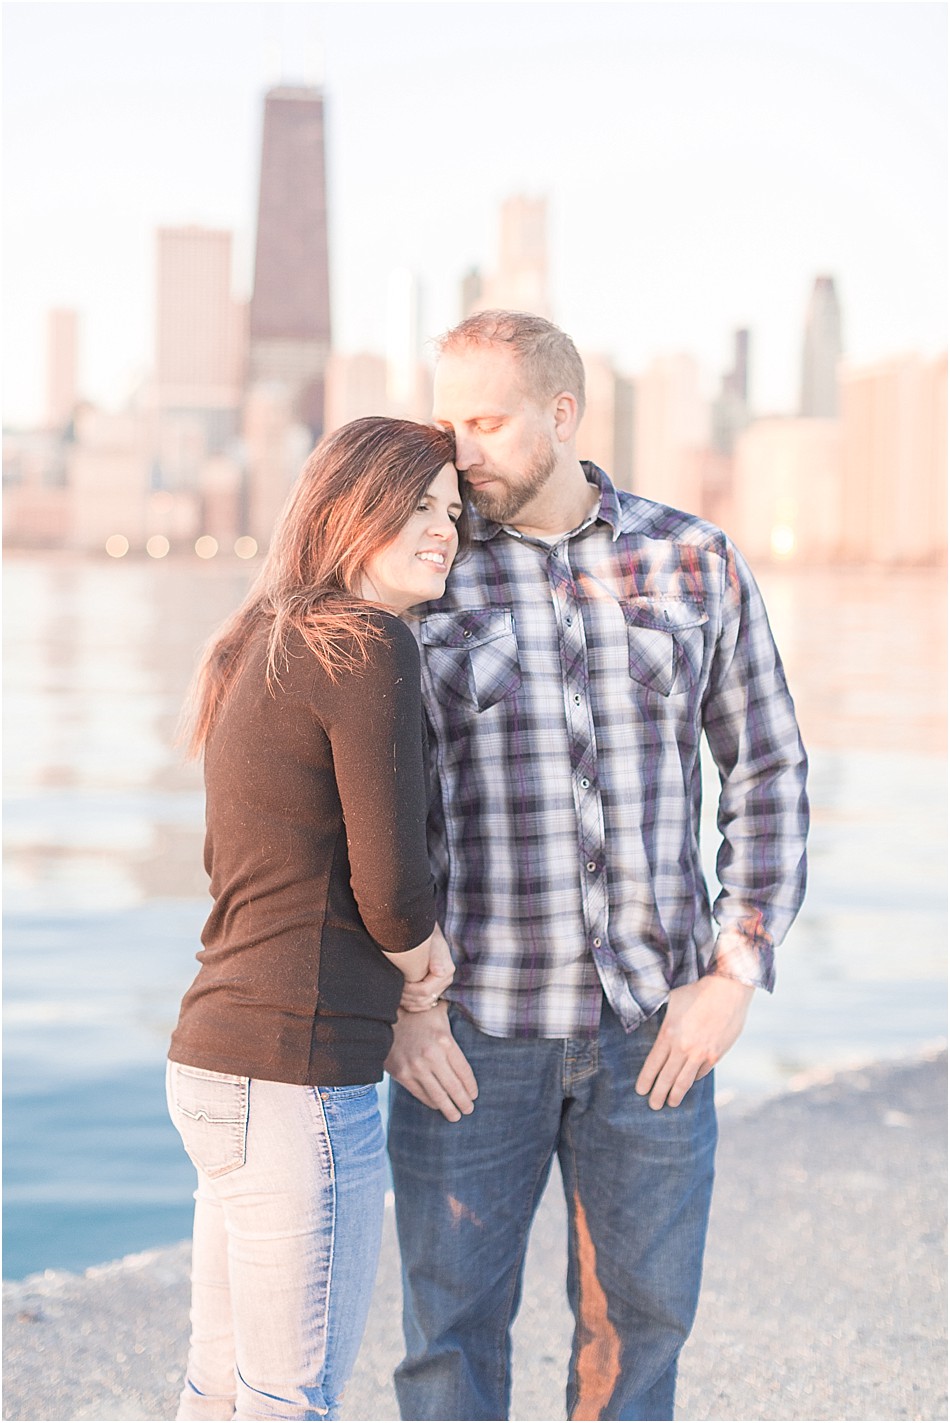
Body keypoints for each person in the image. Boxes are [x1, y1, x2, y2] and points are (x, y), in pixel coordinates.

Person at [384, 311, 809, 1421]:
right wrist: (403, 1011)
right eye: (446, 423)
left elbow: (766, 769)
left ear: (562, 413)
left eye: (486, 423)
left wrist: (734, 974)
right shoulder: (425, 573)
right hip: (471, 1037)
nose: (458, 450)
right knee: (447, 1342)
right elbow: (364, 814)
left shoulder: (695, 559)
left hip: (652, 1034)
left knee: (640, 1335)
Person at [166, 416, 465, 1422]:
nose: (445, 530)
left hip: (213, 1062)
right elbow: (392, 890)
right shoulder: (368, 643)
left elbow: (242, 865)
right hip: (295, 1074)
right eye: (417, 506)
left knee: (219, 1387)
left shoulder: (257, 641)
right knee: (289, 1401)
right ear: (350, 509)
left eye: (452, 511)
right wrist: (426, 967)